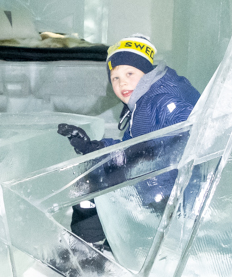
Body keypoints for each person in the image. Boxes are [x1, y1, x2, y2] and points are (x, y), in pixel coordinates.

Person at [58, 34, 201, 250]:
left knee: (92, 184)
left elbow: (188, 127)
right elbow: (132, 148)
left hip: (165, 196)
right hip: (153, 185)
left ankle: (92, 248)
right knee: (91, 179)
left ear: (146, 73)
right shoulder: (142, 104)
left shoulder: (162, 100)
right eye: (115, 78)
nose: (121, 81)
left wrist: (153, 153)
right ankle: (93, 245)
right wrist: (93, 148)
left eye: (129, 73)